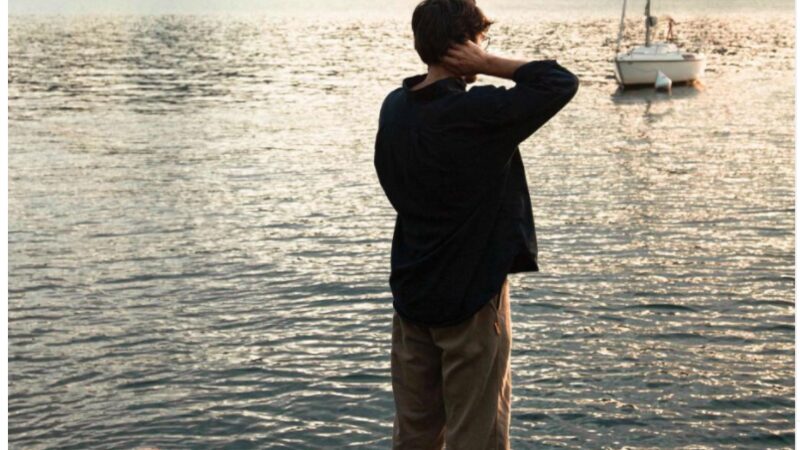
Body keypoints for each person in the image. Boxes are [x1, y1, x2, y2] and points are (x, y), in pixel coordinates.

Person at [373, 0, 579, 448]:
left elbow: (393, 184)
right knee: (477, 435)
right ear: (465, 46)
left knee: (414, 434)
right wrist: (488, 63)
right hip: (471, 297)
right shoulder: (478, 113)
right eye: (481, 41)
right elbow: (559, 82)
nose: (484, 50)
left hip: (412, 293)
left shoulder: (395, 108)